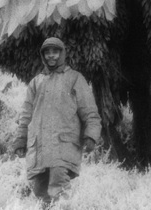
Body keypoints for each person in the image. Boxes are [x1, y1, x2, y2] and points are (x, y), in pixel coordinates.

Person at [13, 37, 102, 207]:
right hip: (38, 148)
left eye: (55, 52)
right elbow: (25, 115)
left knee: (59, 192)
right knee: (39, 193)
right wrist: (20, 139)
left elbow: (90, 112)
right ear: (43, 55)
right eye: (47, 52)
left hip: (63, 146)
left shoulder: (75, 78)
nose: (51, 56)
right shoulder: (36, 82)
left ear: (62, 54)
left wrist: (91, 135)